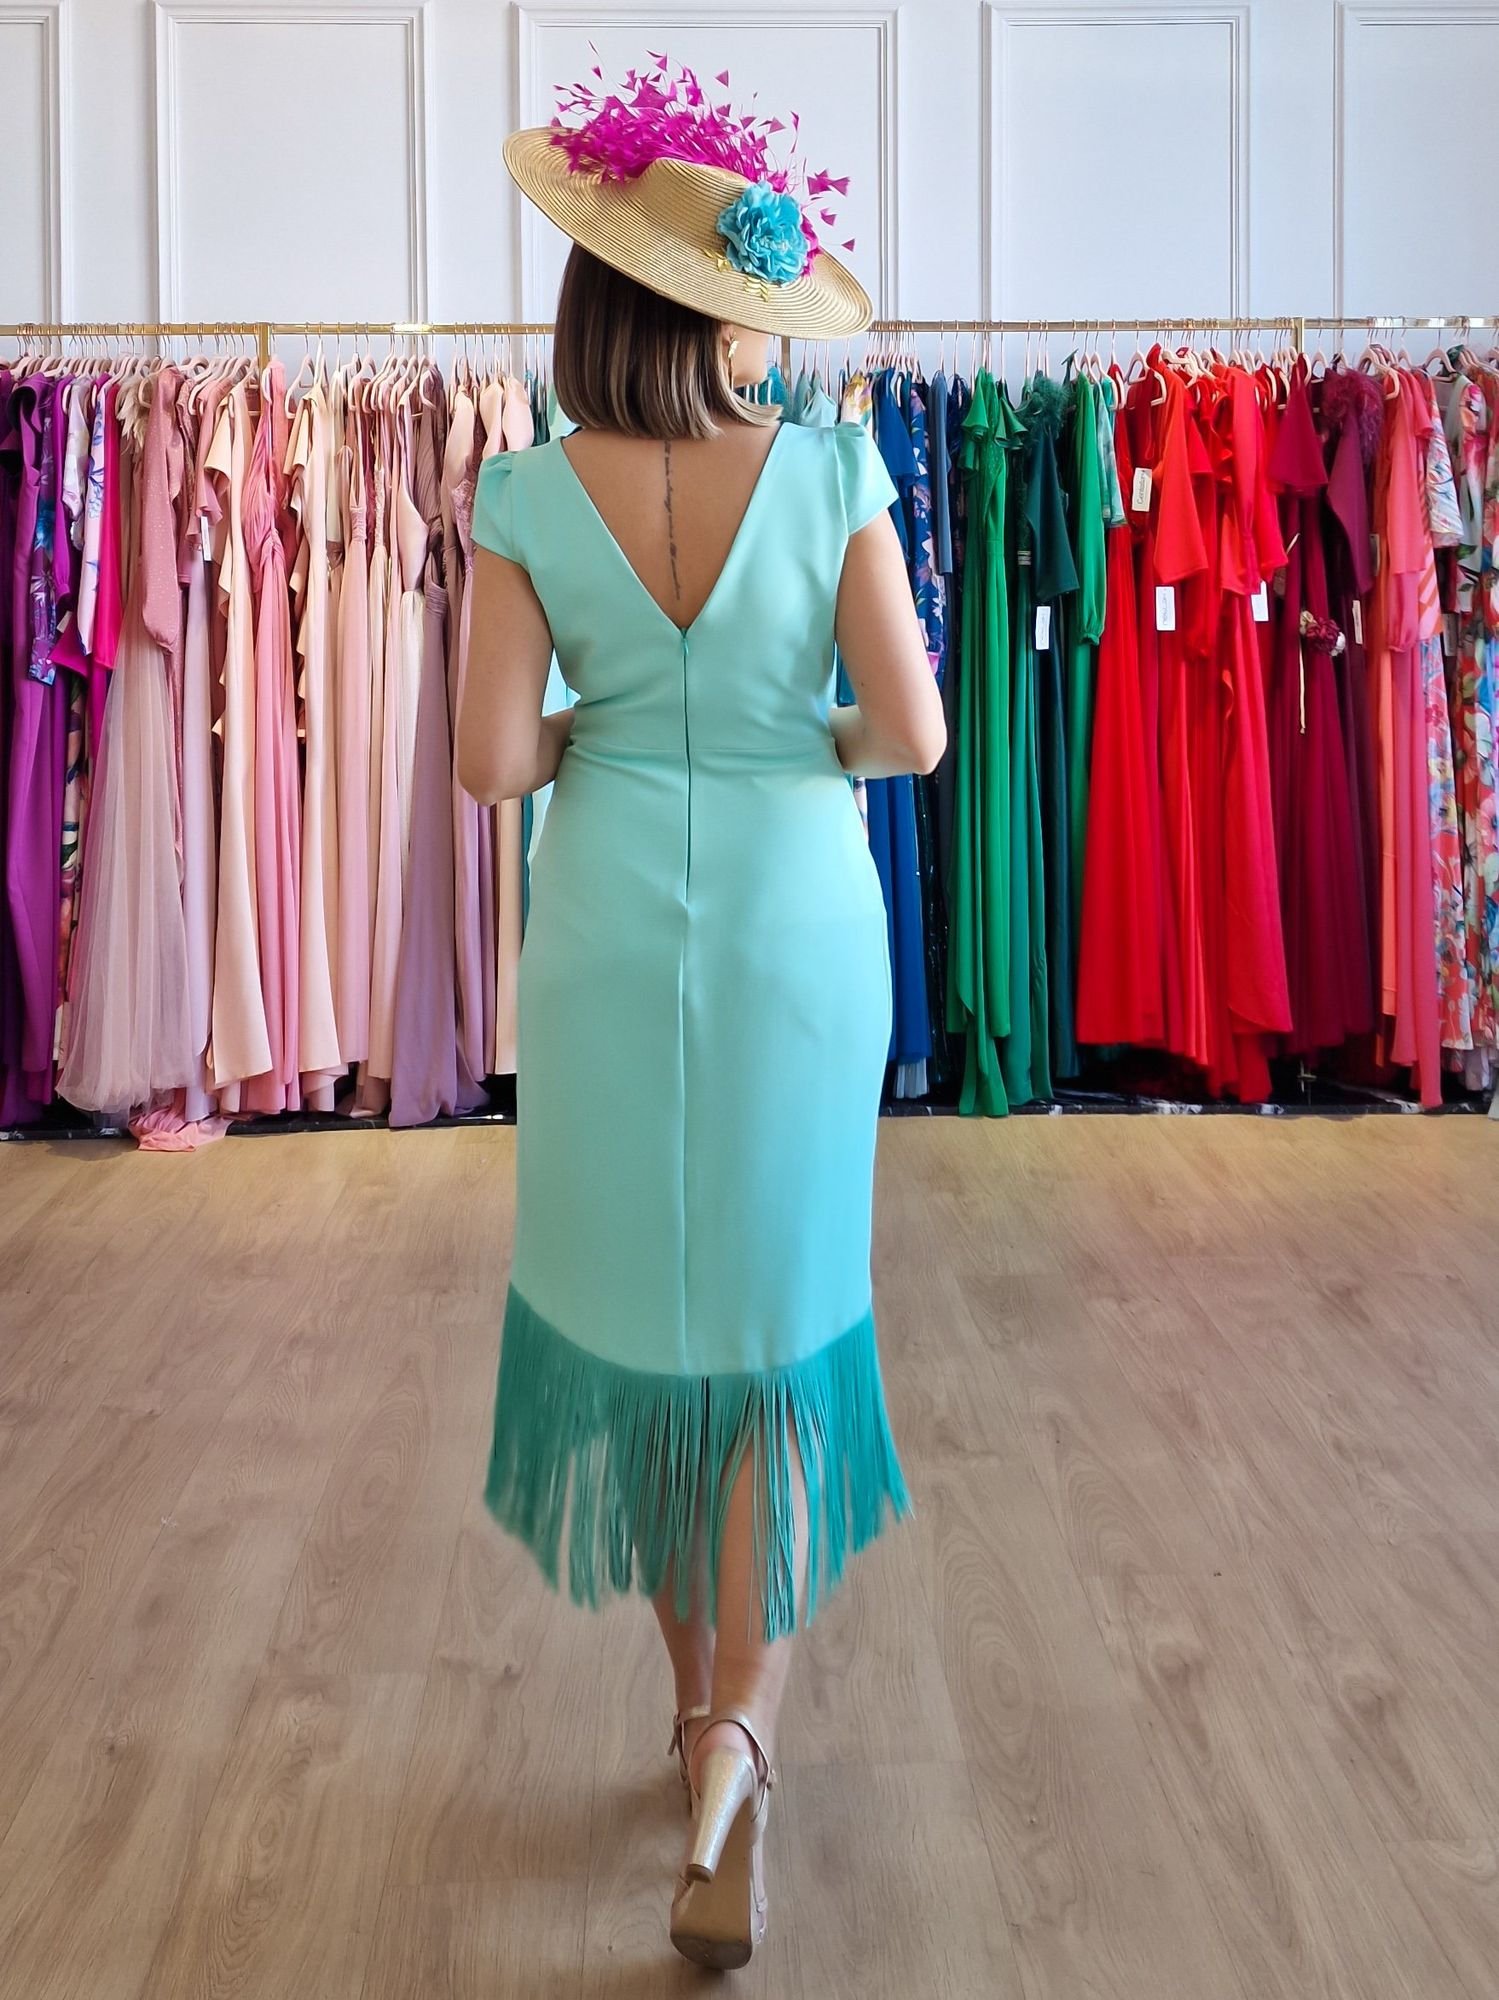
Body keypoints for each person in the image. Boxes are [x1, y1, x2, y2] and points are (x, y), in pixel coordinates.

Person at [456, 59, 945, 1971]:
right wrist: (790, 739)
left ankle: (691, 1731)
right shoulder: (826, 473)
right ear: (722, 314)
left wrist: (608, 725)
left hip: (603, 939)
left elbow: (494, 764)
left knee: (654, 1334)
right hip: (793, 931)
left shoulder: (524, 490)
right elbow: (911, 733)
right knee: (771, 1331)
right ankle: (740, 1741)